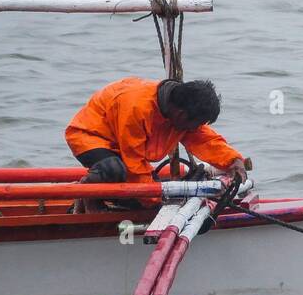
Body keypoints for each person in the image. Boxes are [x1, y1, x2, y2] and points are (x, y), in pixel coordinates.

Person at [65, 77, 247, 212]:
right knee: (114, 169)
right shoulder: (136, 108)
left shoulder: (177, 111)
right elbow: (134, 164)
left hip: (121, 148)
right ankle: (88, 195)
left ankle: (99, 193)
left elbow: (205, 140)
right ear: (182, 115)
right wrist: (157, 201)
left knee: (133, 192)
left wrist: (233, 161)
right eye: (196, 123)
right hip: (89, 136)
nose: (195, 128)